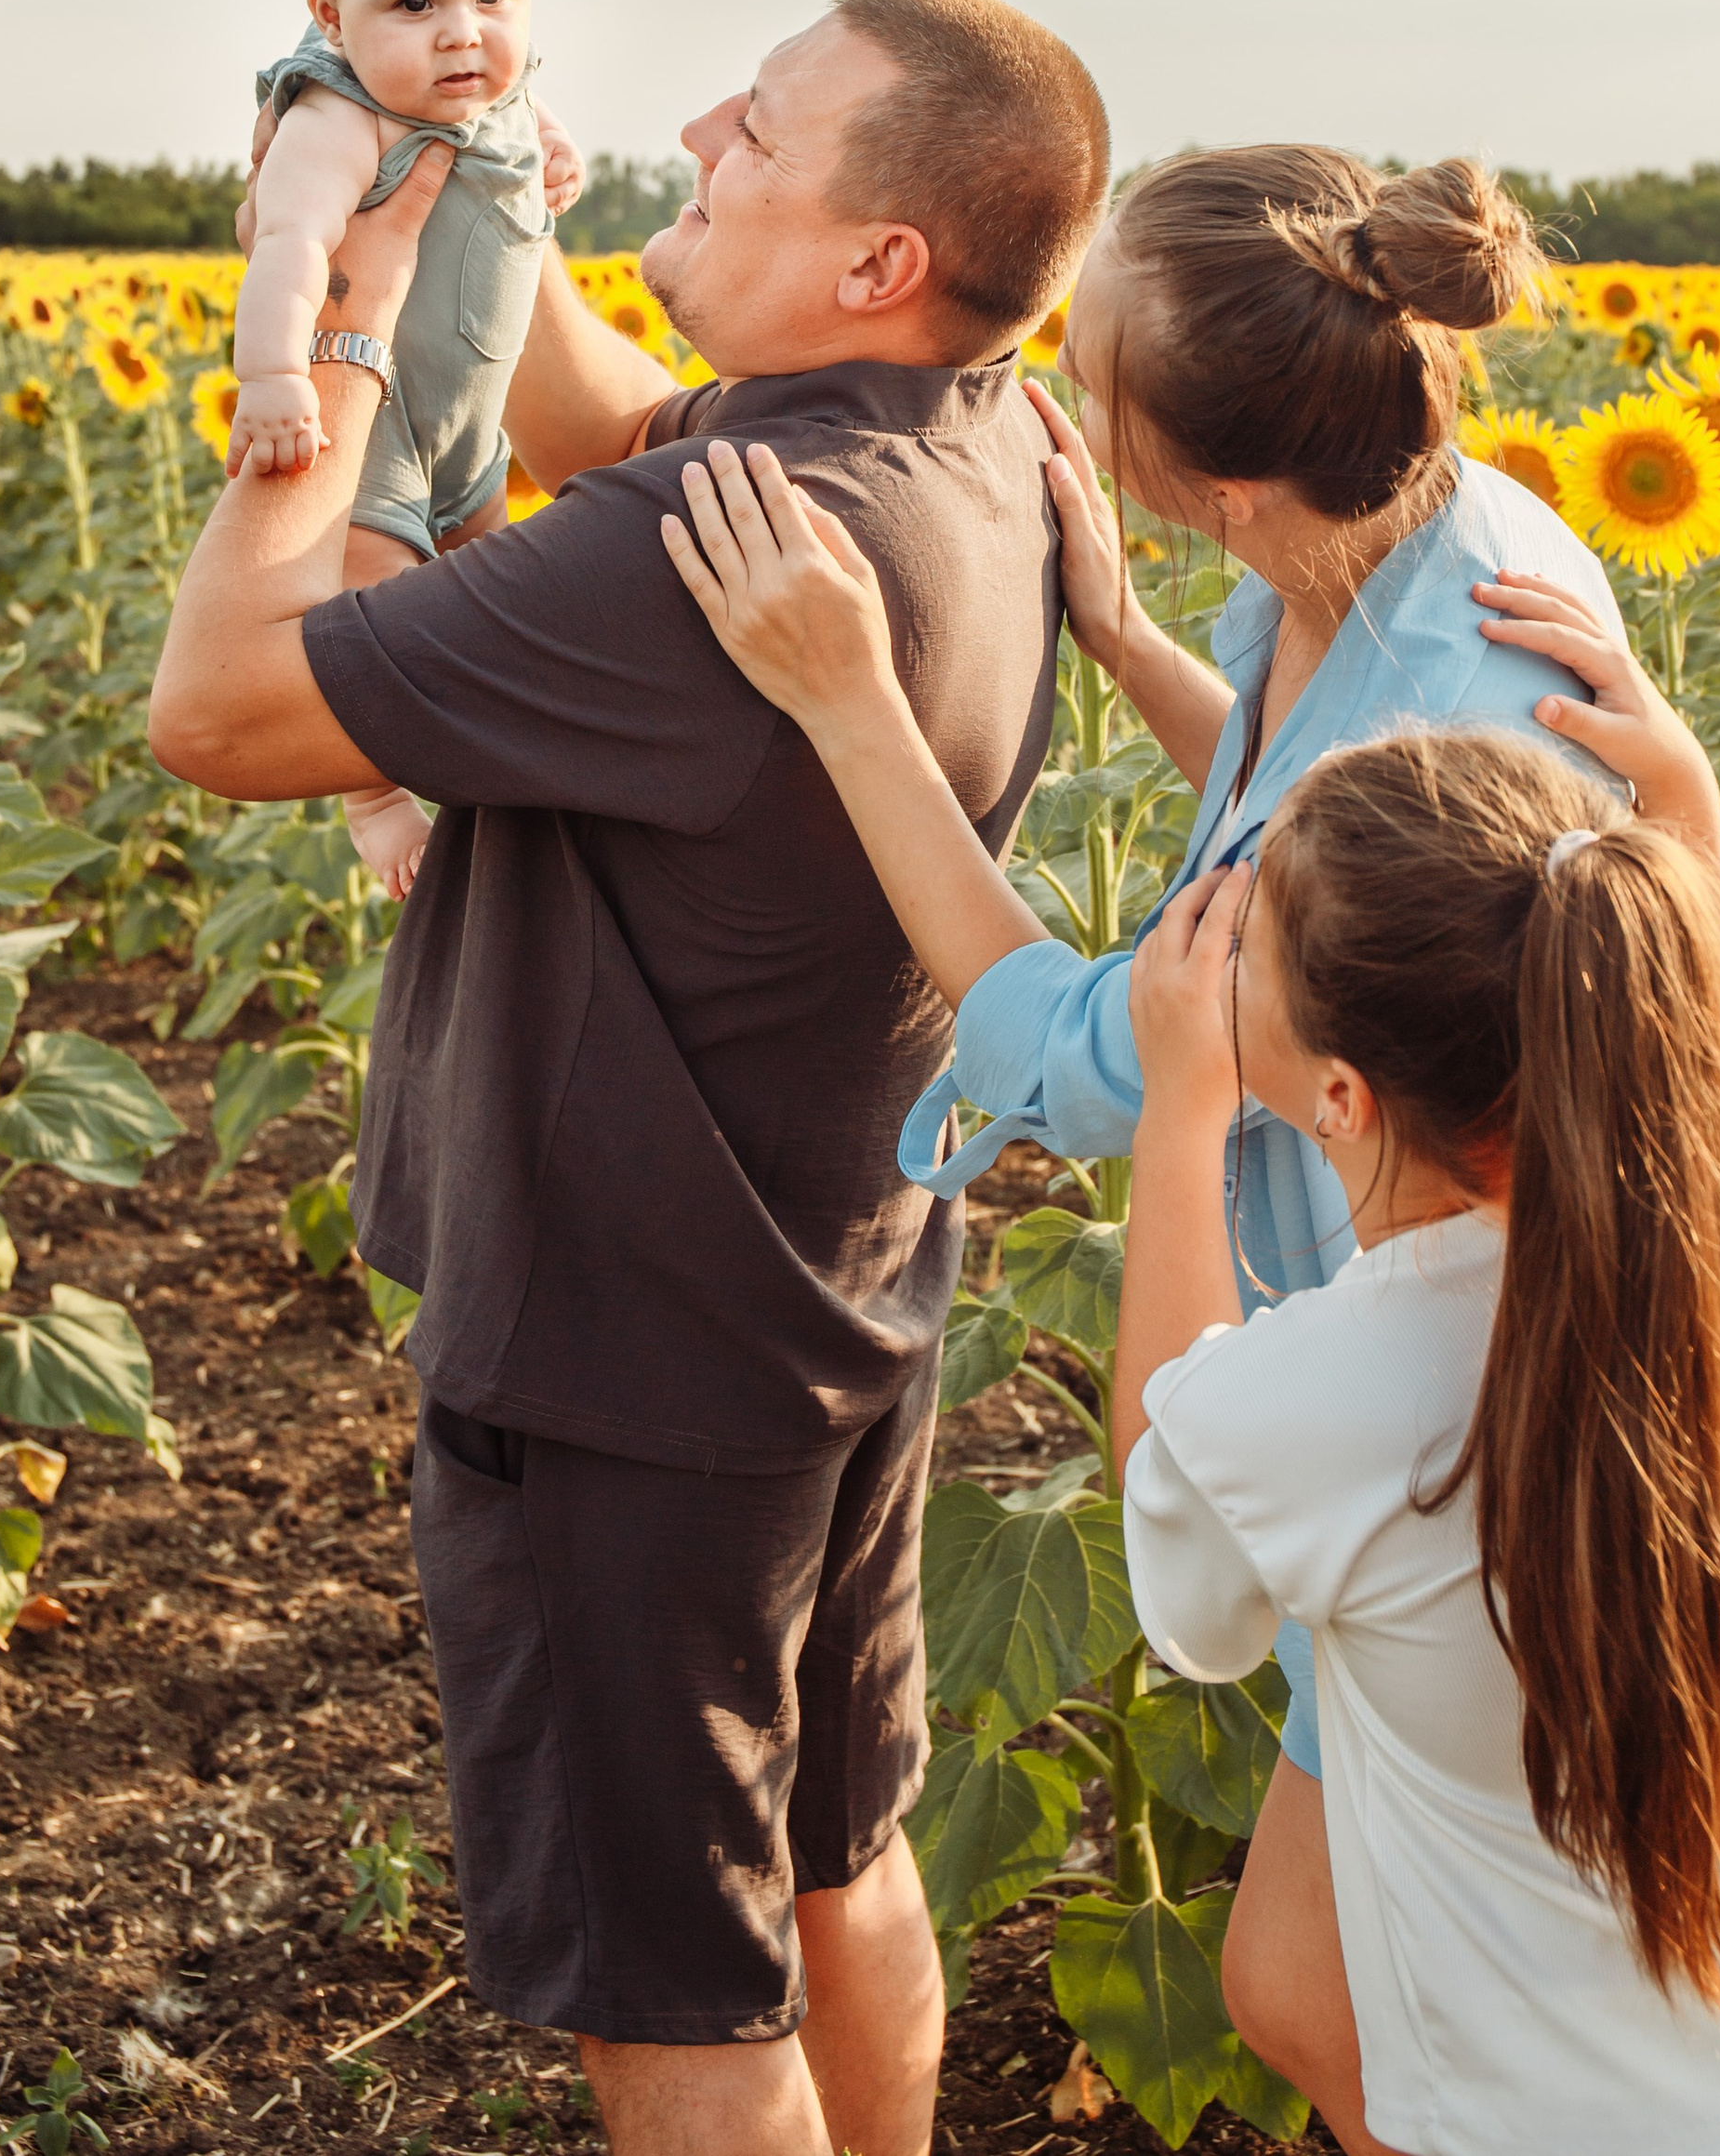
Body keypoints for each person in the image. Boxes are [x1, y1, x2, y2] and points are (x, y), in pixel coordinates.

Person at [150, 0, 1109, 2156]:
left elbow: (215, 708)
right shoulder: (940, 438)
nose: (698, 124)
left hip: (621, 1352)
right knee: (835, 1853)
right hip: (829, 1287)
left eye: (758, 131)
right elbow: (597, 410)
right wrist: (473, 191)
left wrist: (339, 328)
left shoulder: (694, 573)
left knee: (665, 1971)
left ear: (874, 261)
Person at [659, 139, 1627, 2075]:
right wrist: (1120, 637)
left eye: (1084, 371)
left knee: (1409, 2003)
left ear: (1227, 479)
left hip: (1457, 1427)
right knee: (1300, 1978)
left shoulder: (1457, 686)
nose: (1045, 378)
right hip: (1435, 1380)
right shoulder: (1415, 529)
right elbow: (1311, 820)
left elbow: (1098, 1059)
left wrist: (849, 705)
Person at [1108, 609, 1720, 2155]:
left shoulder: (1303, 1413)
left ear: (1335, 1095)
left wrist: (1176, 1113)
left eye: (1251, 937)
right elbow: (1690, 1053)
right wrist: (1679, 798)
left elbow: (1185, 1583)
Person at [232, 0, 585, 893]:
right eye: (415, 4)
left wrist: (553, 154)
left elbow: (517, 135)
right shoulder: (340, 118)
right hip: (371, 427)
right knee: (379, 616)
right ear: (332, 17)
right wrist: (274, 376)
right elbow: (285, 241)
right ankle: (373, 795)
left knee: (492, 595)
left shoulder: (492, 93)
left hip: (474, 434)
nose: (462, 34)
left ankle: (492, 780)